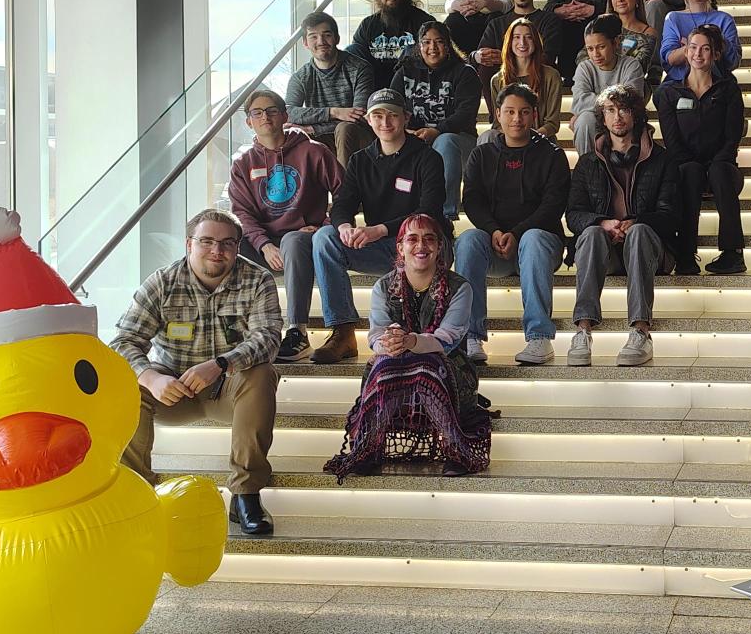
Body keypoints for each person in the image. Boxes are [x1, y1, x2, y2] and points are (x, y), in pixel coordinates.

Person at [112, 209, 283, 536]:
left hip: (230, 390)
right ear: (189, 244)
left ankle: (246, 495)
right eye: (207, 241)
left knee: (262, 373)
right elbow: (123, 341)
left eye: (227, 243)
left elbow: (268, 338)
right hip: (173, 389)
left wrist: (221, 364)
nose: (217, 250)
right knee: (127, 384)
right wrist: (151, 378)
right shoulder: (162, 282)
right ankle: (135, 494)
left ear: (237, 247)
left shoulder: (257, 280)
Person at [322, 213, 493, 480]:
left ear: (439, 247)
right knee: (384, 363)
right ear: (400, 248)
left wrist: (411, 341)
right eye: (412, 239)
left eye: (429, 239)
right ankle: (368, 448)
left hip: (446, 368)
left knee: (427, 365)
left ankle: (455, 448)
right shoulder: (383, 286)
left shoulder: (460, 287)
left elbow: (447, 339)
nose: (421, 246)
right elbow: (376, 335)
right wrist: (389, 343)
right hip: (395, 364)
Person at [309, 87, 446, 363]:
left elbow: (429, 211)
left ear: (406, 117)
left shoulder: (427, 157)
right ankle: (343, 331)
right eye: (378, 116)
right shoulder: (360, 160)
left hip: (424, 246)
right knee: (324, 238)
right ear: (369, 120)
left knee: (418, 242)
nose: (385, 122)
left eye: (392, 115)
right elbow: (343, 204)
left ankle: (417, 337)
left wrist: (379, 229)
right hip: (383, 248)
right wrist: (344, 227)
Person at [227, 87, 344, 365]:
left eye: (271, 111)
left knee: (293, 239)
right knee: (225, 244)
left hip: (304, 240)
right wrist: (264, 245)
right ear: (249, 122)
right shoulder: (243, 163)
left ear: (284, 116)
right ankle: (236, 328)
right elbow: (242, 213)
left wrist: (325, 225)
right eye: (257, 113)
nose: (265, 117)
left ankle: (297, 331)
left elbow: (345, 194)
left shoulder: (314, 152)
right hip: (265, 243)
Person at [456, 85, 569, 366]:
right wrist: (494, 231)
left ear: (534, 115)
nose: (516, 119)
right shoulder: (481, 155)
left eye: (523, 112)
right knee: (468, 239)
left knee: (532, 238)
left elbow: (553, 206)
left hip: (540, 246)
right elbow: (472, 200)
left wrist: (517, 234)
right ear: (497, 114)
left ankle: (539, 337)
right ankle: (470, 336)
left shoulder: (552, 155)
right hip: (494, 246)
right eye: (509, 112)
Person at [566, 84, 678, 367]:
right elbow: (573, 215)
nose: (617, 117)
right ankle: (583, 330)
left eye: (624, 110)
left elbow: (670, 216)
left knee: (639, 232)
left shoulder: (661, 159)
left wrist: (635, 221)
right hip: (607, 252)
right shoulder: (588, 163)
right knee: (592, 232)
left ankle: (641, 331)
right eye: (610, 111)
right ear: (602, 119)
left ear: (635, 115)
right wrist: (602, 222)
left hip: (649, 248)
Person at [656, 25, 746, 276]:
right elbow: (672, 142)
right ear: (685, 52)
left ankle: (733, 253)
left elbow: (732, 137)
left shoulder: (728, 89)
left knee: (719, 171)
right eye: (693, 47)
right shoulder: (670, 93)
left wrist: (716, 163)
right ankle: (685, 255)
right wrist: (695, 166)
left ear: (715, 54)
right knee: (691, 172)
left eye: (705, 49)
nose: (698, 54)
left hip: (723, 164)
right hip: (686, 165)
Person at [393, 21, 481, 220]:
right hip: (414, 137)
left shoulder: (465, 73)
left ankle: (444, 214)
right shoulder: (405, 72)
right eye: (426, 42)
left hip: (459, 141)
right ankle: (403, 214)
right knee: (395, 142)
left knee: (445, 141)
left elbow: (465, 113)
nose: (432, 47)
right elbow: (393, 106)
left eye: (439, 42)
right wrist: (406, 131)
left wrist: (437, 130)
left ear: (448, 45)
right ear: (419, 46)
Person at [285, 10, 375, 164]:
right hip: (322, 138)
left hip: (357, 136)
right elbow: (288, 113)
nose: (321, 41)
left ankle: (345, 181)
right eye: (313, 36)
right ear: (305, 43)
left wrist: (314, 129)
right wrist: (333, 112)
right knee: (288, 131)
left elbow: (360, 117)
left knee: (345, 128)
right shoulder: (300, 77)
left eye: (327, 35)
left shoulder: (360, 68)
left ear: (337, 38)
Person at [349, 0, 436, 91]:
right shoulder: (368, 24)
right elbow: (354, 61)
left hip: (411, 87)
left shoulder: (424, 22)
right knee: (352, 50)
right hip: (374, 88)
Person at [572, 14, 645, 155]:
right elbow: (579, 102)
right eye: (590, 49)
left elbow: (631, 102)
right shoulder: (585, 68)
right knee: (585, 120)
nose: (595, 54)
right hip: (595, 120)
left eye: (601, 47)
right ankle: (587, 165)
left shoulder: (631, 65)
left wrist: (600, 106)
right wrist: (612, 104)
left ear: (615, 43)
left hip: (624, 118)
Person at [474, 0, 562, 74]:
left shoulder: (549, 21)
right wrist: (477, 56)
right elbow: (479, 55)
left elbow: (547, 58)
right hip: (502, 78)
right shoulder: (496, 24)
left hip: (536, 76)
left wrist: (505, 58)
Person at [658, 0, 740, 83]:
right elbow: (669, 59)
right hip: (680, 82)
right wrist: (704, 46)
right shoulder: (673, 18)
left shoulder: (725, 19)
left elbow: (733, 62)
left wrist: (688, 47)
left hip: (716, 81)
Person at [487, 18, 563, 140]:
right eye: (517, 37)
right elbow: (498, 123)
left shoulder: (551, 76)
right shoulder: (497, 80)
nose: (522, 42)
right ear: (509, 42)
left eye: (528, 37)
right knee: (487, 137)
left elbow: (552, 123)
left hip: (540, 139)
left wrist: (531, 138)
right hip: (508, 140)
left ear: (535, 42)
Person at [607, 0, 661, 88]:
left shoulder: (649, 33)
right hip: (600, 81)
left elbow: (644, 66)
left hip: (631, 86)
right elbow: (583, 56)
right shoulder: (602, 27)